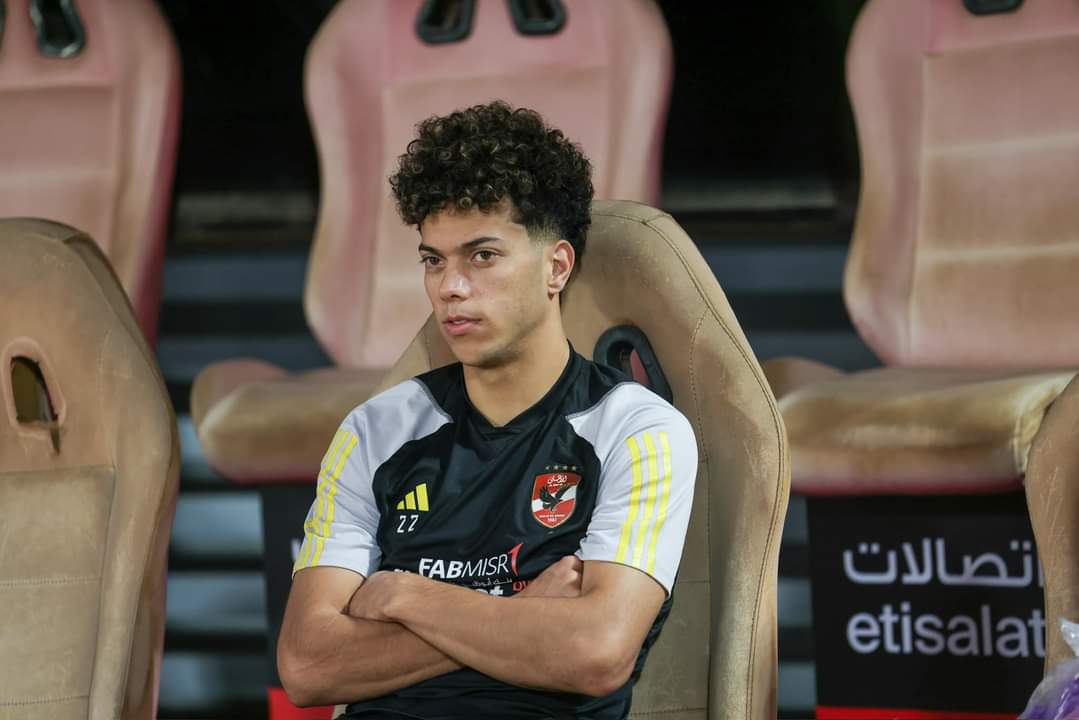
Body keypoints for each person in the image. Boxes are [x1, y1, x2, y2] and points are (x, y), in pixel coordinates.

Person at [278, 100, 697, 719]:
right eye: (433, 260)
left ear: (556, 267)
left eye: (482, 256)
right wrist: (525, 613)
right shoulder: (375, 430)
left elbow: (596, 654)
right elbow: (308, 667)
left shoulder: (636, 429)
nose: (450, 287)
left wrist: (403, 596)